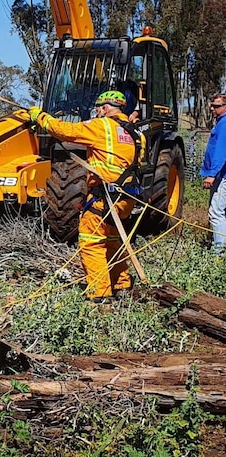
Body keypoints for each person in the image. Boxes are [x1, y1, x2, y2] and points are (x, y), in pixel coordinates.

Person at [30, 90, 144, 302]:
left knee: (92, 242)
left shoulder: (102, 126)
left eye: (99, 108)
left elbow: (66, 130)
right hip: (126, 198)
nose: (97, 112)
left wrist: (40, 117)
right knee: (113, 240)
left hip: (104, 196)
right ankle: (122, 285)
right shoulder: (136, 134)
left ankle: (100, 294)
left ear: (105, 107)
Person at [201, 93, 226, 254]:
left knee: (216, 212)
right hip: (220, 175)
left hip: (221, 176)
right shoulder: (220, 122)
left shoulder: (224, 124)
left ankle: (219, 252)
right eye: (212, 105)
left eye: (216, 106)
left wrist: (212, 174)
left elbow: (221, 152)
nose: (212, 109)